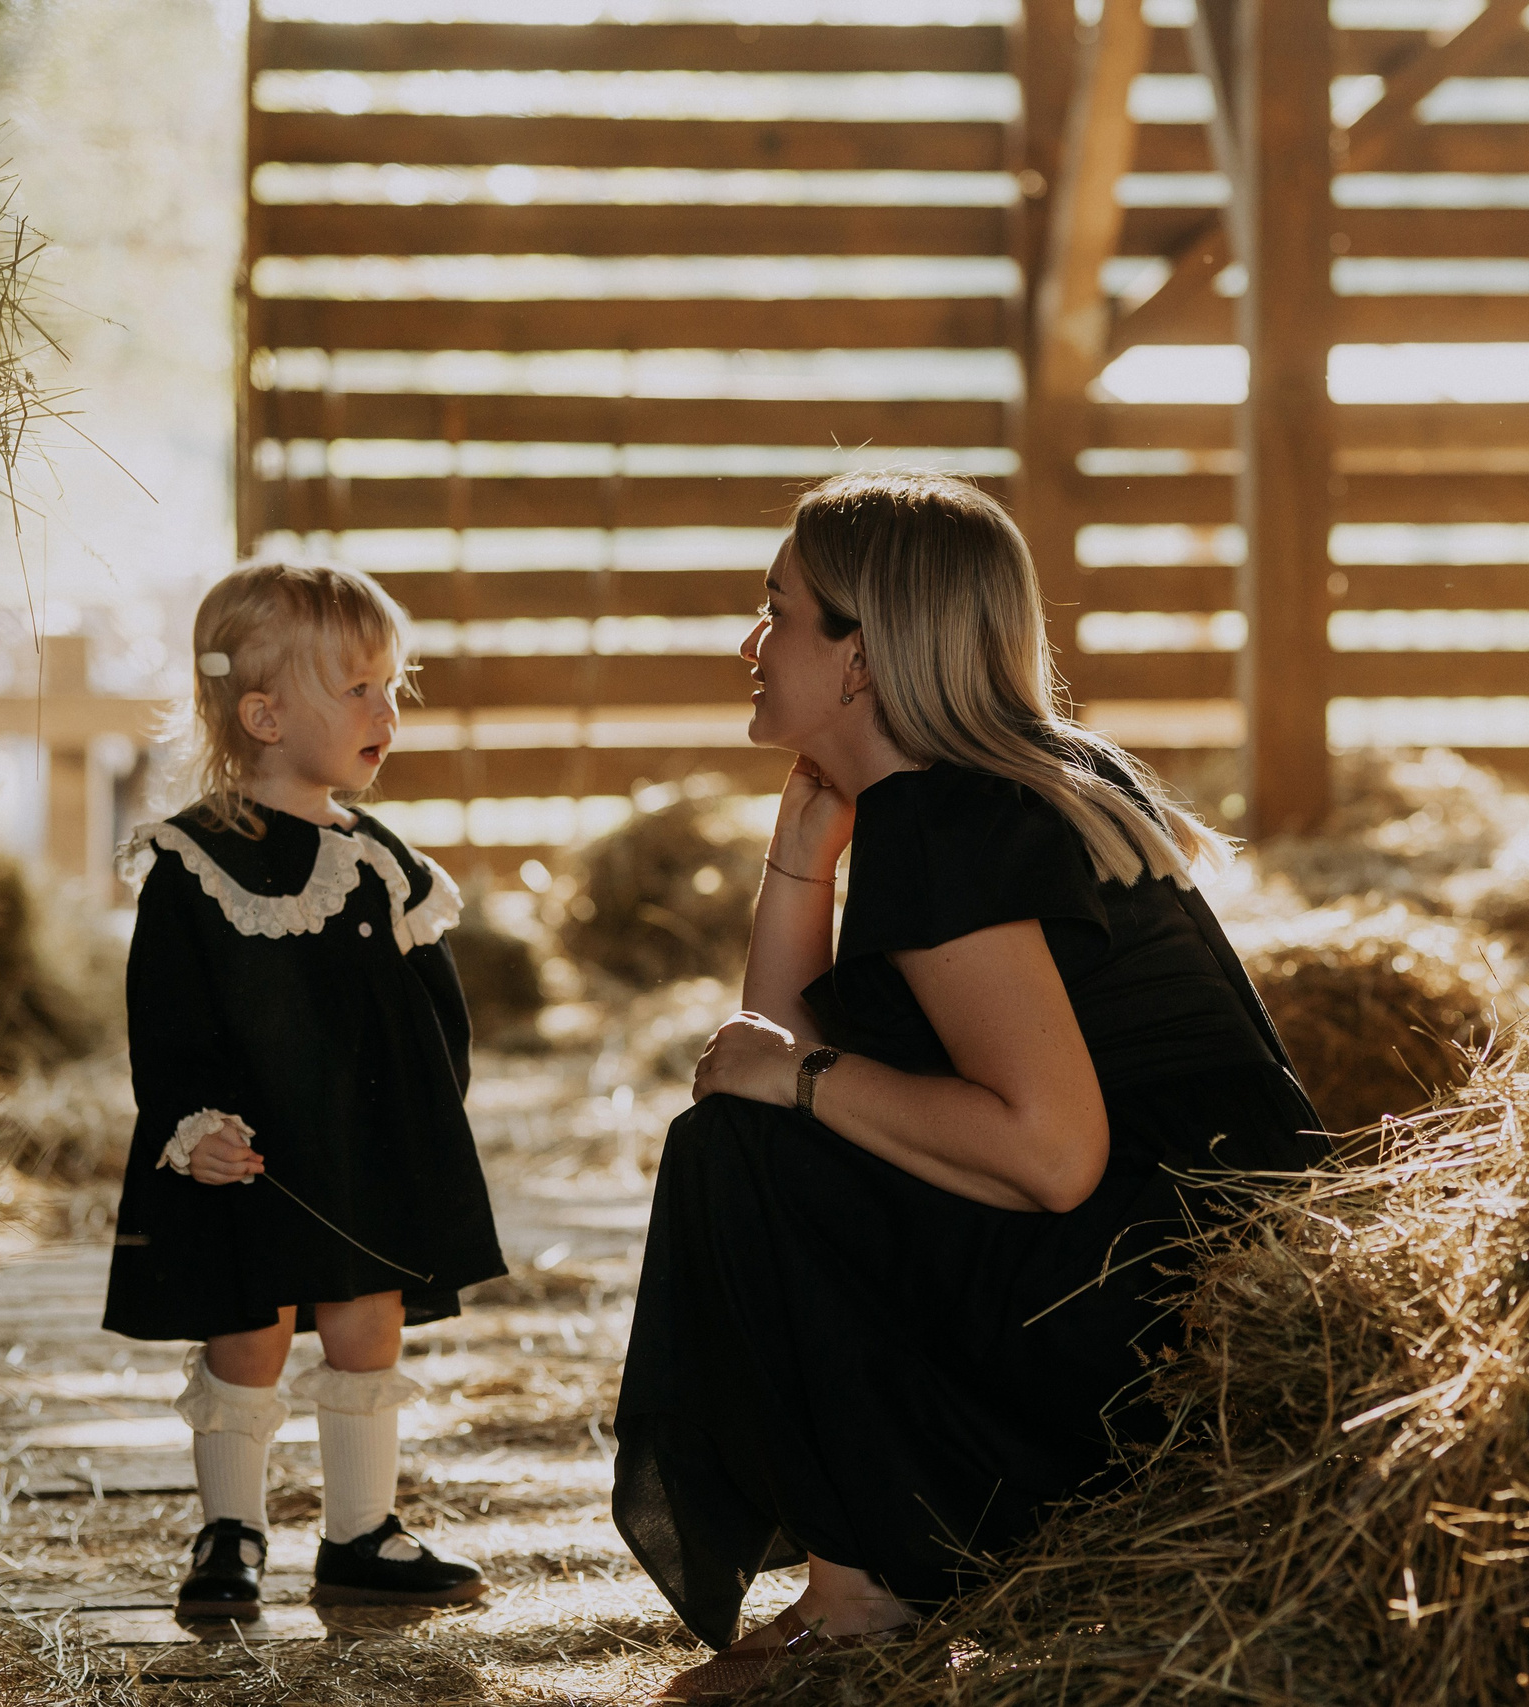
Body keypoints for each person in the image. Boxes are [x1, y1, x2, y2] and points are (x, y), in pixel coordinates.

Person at [613, 471, 1327, 1702]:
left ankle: (862, 1605)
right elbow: (764, 1059)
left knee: (730, 1152)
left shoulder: (946, 823)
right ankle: (860, 1579)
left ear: (860, 656)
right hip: (1187, 1267)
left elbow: (1050, 1154)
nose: (749, 641)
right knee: (754, 1130)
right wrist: (799, 859)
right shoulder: (1009, 780)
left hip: (1155, 1316)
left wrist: (800, 1078)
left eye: (776, 610)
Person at [103, 562, 501, 1620]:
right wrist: (192, 1124)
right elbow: (167, 1017)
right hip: (249, 1161)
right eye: (360, 689)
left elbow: (431, 1012)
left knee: (369, 1322)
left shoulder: (382, 863)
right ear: (265, 714)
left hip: (362, 1150)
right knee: (248, 1332)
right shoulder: (191, 863)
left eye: (392, 687)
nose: (388, 711)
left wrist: (428, 1117)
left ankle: (360, 1533)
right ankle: (230, 1532)